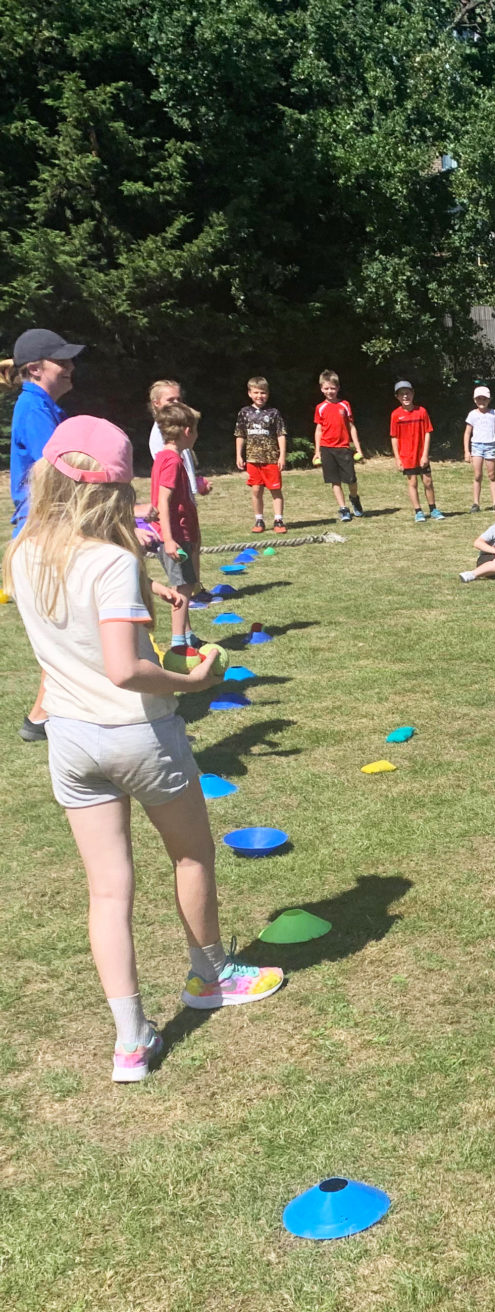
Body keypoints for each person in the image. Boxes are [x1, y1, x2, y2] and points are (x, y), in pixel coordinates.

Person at [3, 416, 285, 1084]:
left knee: (107, 890)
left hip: (70, 741)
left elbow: (78, 602)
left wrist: (143, 590)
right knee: (191, 852)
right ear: (112, 487)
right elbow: (126, 667)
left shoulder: (22, 547)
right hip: (135, 731)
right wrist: (192, 680)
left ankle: (129, 1041)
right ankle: (209, 974)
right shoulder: (110, 560)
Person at [5, 327, 82, 741]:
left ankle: (46, 717)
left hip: (54, 530)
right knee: (62, 630)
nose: (71, 368)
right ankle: (41, 718)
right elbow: (58, 469)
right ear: (36, 369)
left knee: (66, 627)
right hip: (43, 534)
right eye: (63, 361)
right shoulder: (33, 408)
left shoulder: (47, 407)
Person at [152, 400, 207, 650]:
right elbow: (163, 500)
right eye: (195, 431)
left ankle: (187, 636)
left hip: (176, 533)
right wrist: (169, 539)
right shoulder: (172, 461)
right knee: (183, 588)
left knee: (185, 583)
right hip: (175, 535)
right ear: (187, 432)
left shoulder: (165, 457)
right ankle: (178, 644)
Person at [234, 377, 288, 534]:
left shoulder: (273, 413)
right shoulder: (244, 413)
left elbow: (281, 434)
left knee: (275, 490)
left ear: (268, 394)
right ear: (250, 393)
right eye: (256, 392)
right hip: (252, 459)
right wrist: (239, 455)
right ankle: (259, 519)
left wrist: (282, 456)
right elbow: (240, 435)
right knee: (256, 490)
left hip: (271, 459)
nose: (259, 396)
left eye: (263, 393)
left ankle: (278, 520)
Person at [146, 379, 211, 503]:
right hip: (176, 500)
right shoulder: (161, 433)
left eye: (179, 400)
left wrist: (194, 482)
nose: (176, 404)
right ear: (156, 403)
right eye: (170, 400)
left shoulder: (178, 429)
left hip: (185, 496)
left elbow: (183, 463)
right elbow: (168, 472)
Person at [313, 370, 364, 522]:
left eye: (333, 388)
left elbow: (352, 427)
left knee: (351, 480)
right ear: (321, 388)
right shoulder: (320, 407)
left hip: (343, 448)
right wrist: (317, 452)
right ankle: (343, 509)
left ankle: (354, 498)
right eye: (326, 388)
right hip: (326, 448)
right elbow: (318, 430)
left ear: (338, 388)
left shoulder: (344, 405)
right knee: (334, 480)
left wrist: (358, 448)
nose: (330, 391)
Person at [391, 380, 443, 522]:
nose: (405, 397)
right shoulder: (395, 415)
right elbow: (394, 437)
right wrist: (397, 458)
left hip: (421, 455)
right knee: (412, 483)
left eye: (407, 393)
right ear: (397, 397)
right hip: (407, 456)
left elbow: (427, 432)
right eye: (402, 394)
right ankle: (418, 511)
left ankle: (433, 509)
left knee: (427, 482)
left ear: (413, 393)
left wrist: (425, 454)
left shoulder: (422, 412)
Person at [464, 385, 495, 512]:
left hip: (490, 446)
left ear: (489, 400)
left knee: (492, 475)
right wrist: (467, 451)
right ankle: (476, 503)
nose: (481, 402)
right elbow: (467, 433)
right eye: (479, 399)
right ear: (474, 400)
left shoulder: (494, 413)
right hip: (476, 446)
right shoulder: (472, 414)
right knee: (477, 475)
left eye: (484, 399)